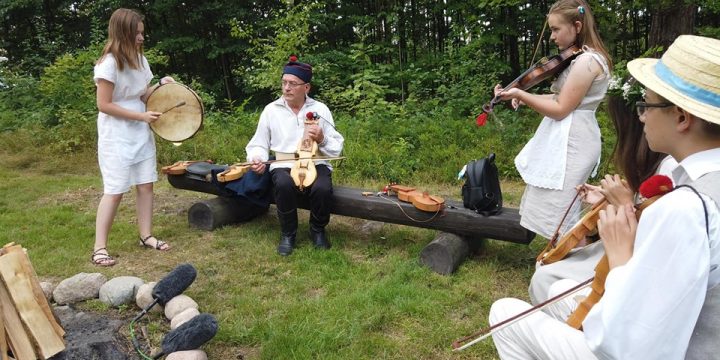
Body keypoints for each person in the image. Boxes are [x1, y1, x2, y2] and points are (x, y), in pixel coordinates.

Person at [488, 34, 720, 359]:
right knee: (556, 291)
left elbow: (630, 344)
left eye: (647, 105)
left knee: (504, 314)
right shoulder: (700, 185)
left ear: (682, 117)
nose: (641, 117)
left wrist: (620, 254)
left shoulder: (687, 207)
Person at [527, 93, 676, 304]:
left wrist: (623, 204)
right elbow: (645, 201)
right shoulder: (664, 162)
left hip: (632, 260)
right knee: (546, 269)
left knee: (546, 278)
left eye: (647, 111)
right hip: (625, 250)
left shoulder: (673, 167)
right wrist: (608, 196)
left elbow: (656, 235)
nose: (643, 118)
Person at [493, 0, 612, 240]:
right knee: (555, 212)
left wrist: (520, 93)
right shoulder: (579, 60)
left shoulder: (588, 62)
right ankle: (558, 264)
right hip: (566, 140)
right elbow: (561, 97)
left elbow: (560, 108)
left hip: (574, 142)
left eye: (556, 29)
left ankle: (569, 267)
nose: (551, 36)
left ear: (577, 26)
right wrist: (524, 97)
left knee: (562, 215)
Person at [92, 8, 175, 266]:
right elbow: (103, 104)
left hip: (140, 130)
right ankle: (99, 248)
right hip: (116, 134)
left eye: (142, 33)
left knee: (145, 184)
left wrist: (160, 85)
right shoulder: (109, 64)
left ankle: (146, 235)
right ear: (123, 33)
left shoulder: (140, 60)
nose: (141, 38)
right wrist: (140, 117)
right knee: (115, 189)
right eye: (137, 33)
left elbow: (141, 94)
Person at [246, 56, 344, 256]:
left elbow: (336, 148)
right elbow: (259, 143)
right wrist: (257, 158)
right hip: (283, 161)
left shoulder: (320, 109)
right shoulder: (271, 110)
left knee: (322, 188)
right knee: (282, 184)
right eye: (284, 83)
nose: (286, 88)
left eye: (293, 84)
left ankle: (317, 230)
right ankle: (288, 234)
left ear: (306, 87)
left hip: (315, 160)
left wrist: (322, 139)